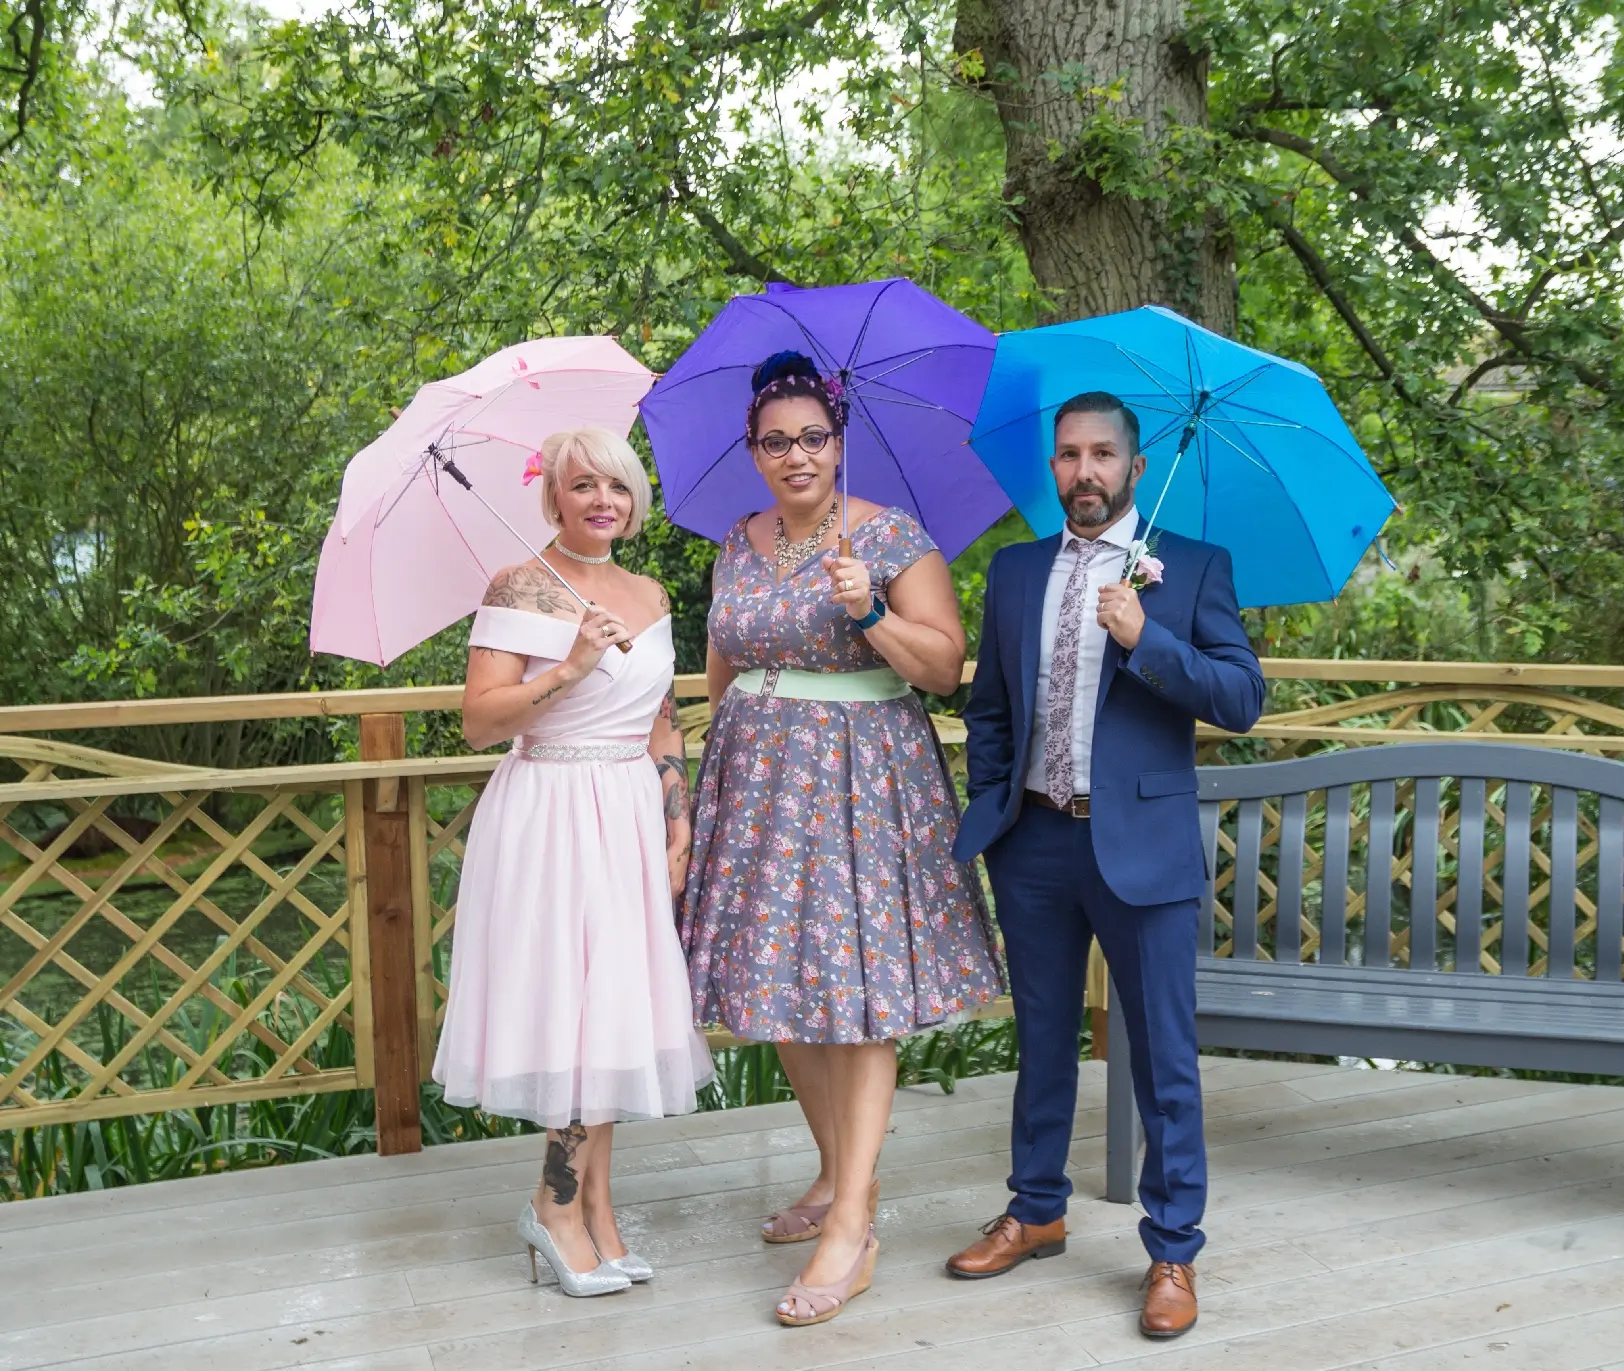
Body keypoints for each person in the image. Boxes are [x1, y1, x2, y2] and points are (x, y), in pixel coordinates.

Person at [680, 351, 1004, 1327]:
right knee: (776, 992)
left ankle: (852, 1223)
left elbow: (944, 669)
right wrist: (712, 790)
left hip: (862, 788)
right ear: (752, 450)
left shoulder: (892, 537)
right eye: (775, 441)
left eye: (811, 438)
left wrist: (864, 607)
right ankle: (831, 1178)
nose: (794, 455)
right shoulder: (734, 544)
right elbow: (722, 674)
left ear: (838, 442)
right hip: (757, 793)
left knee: (859, 999)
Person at [948, 391, 1265, 1339]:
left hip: (1143, 846)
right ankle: (1035, 1206)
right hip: (1035, 840)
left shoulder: (1193, 569)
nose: (1082, 472)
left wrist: (1145, 637)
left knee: (1164, 1054)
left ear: (1132, 464)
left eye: (1099, 456)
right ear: (1053, 468)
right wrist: (996, 807)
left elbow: (1241, 696)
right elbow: (990, 708)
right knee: (1041, 1037)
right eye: (1066, 456)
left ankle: (1172, 1248)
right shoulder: (1012, 571)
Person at [432, 426, 713, 1298]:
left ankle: (597, 1209)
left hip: (629, 809)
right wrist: (572, 664)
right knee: (573, 1010)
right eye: (583, 485)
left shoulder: (649, 591)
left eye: (618, 486)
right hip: (551, 811)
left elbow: (662, 719)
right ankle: (553, 1208)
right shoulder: (518, 587)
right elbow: (480, 720)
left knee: (617, 1007)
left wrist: (677, 823)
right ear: (553, 499)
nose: (602, 500)